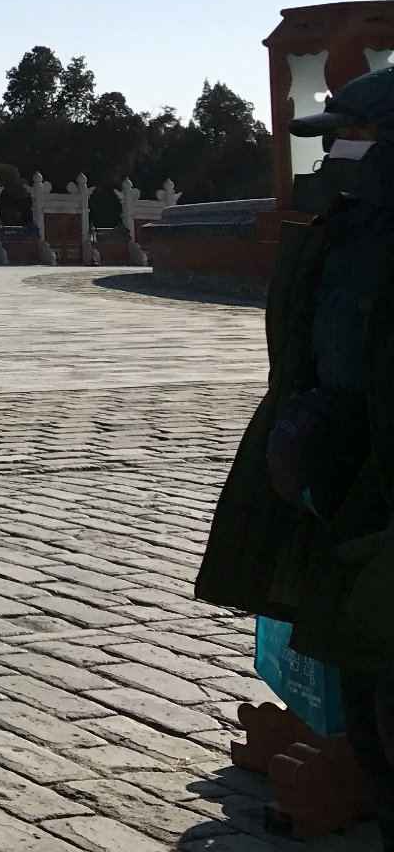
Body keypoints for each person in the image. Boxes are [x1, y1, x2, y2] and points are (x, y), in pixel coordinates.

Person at [196, 66, 394, 820]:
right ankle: (354, 752)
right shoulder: (340, 230)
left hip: (379, 478)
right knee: (347, 631)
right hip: (330, 464)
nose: (335, 155)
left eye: (354, 138)